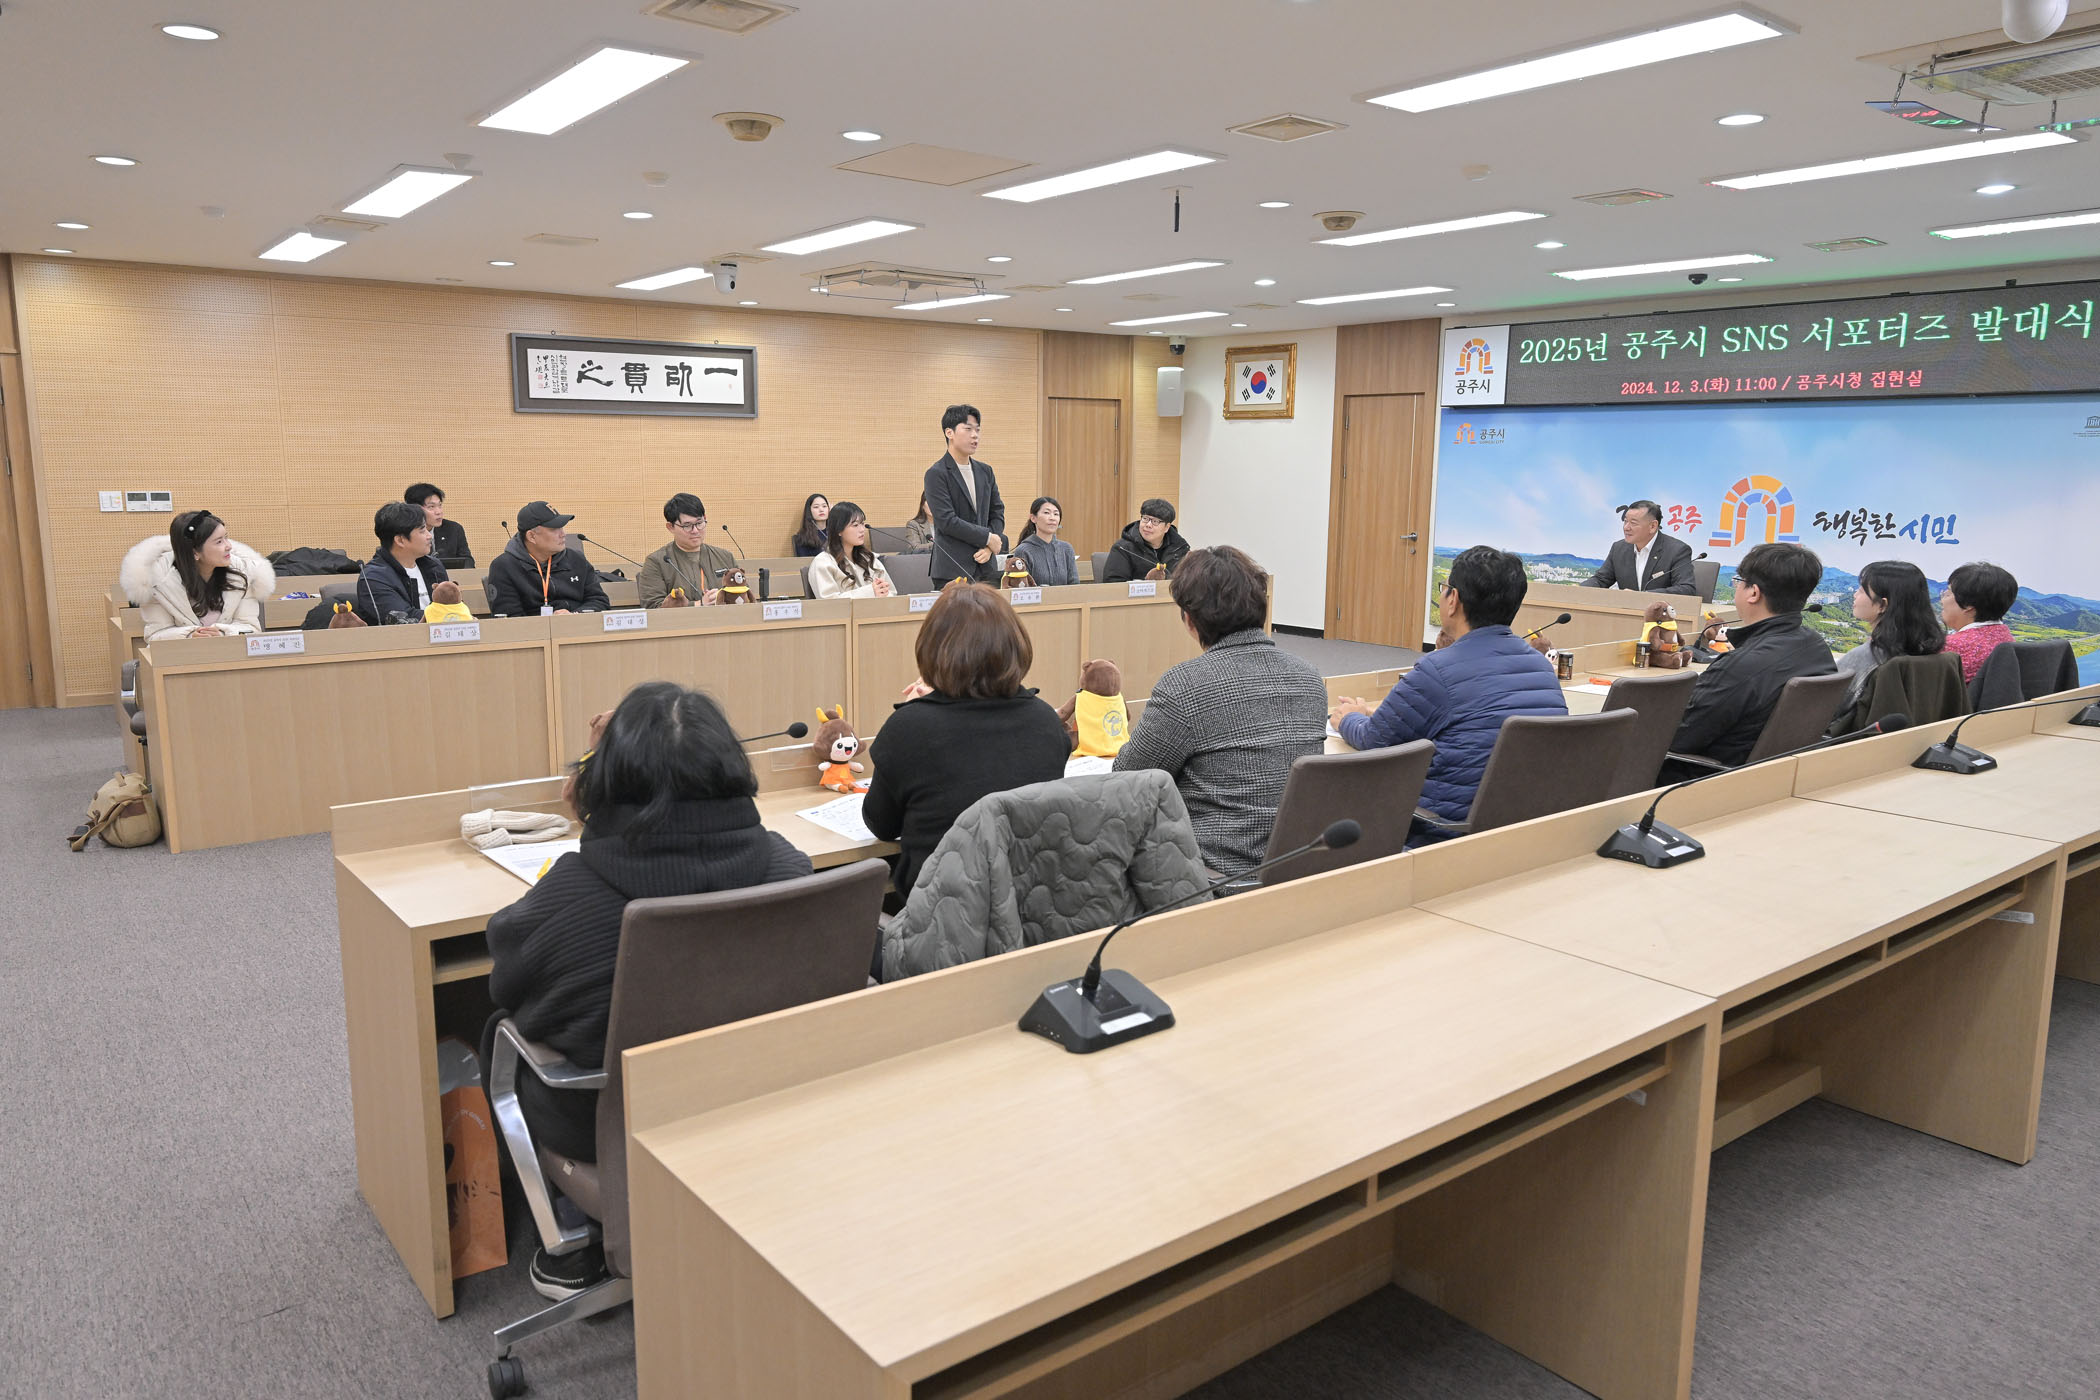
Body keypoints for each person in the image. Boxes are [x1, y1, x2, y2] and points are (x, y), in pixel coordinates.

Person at [484, 682, 811, 1298]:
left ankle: (578, 1236)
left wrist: (590, 814)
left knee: (500, 1029)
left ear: (603, 782)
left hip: (619, 1132)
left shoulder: (571, 897)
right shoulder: (788, 869)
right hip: (761, 1107)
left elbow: (507, 980)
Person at [1114, 546, 1326, 872]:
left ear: (1189, 619)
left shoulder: (1185, 686)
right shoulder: (1309, 677)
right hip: (1296, 867)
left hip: (1211, 874)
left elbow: (1129, 781)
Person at [1330, 545, 1566, 837]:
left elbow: (1374, 740)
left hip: (1442, 833)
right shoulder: (1541, 667)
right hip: (1522, 832)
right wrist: (1377, 714)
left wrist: (1348, 718)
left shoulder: (1438, 670)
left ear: (1453, 599)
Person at [862, 584, 1069, 904]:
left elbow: (882, 824)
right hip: (1032, 911)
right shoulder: (1045, 721)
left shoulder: (909, 729)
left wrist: (919, 710)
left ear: (931, 649)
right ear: (1016, 646)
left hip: (941, 917)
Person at [1664, 541, 1834, 775]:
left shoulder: (1740, 667)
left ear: (1753, 593)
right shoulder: (1815, 645)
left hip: (1703, 778)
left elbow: (1676, 739)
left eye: (1738, 582)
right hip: (1776, 776)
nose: (1736, 588)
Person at [120, 509, 275, 640]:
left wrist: (224, 633)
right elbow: (155, 636)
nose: (229, 546)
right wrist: (189, 636)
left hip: (231, 657)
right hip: (182, 661)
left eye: (226, 538)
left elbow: (251, 629)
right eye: (219, 542)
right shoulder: (156, 581)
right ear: (195, 552)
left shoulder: (243, 573)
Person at [1834, 561, 1946, 703]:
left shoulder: (1866, 657)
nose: (1855, 595)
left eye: (1862, 591)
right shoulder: (1935, 655)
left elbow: (1827, 705)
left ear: (1882, 605)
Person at [922, 404, 1006, 587]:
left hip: (986, 568)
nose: (975, 435)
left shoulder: (985, 471)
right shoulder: (936, 473)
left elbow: (997, 512)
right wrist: (987, 538)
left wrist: (989, 547)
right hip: (953, 569)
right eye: (968, 429)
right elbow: (947, 521)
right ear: (949, 433)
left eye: (977, 430)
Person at [485, 501, 610, 616]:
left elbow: (599, 601)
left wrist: (575, 615)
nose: (563, 534)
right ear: (532, 536)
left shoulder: (576, 559)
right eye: (554, 529)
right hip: (535, 632)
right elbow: (509, 618)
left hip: (580, 628)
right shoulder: (504, 567)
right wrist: (551, 624)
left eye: (562, 527)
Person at [357, 500, 448, 624]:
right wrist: (451, 616)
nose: (429, 536)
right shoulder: (373, 578)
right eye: (422, 531)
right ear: (400, 540)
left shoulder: (434, 566)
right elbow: (403, 618)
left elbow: (453, 603)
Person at [638, 493, 736, 607]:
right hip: (680, 619)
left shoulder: (725, 557)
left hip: (724, 617)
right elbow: (652, 607)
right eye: (687, 526)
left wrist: (724, 598)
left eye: (699, 523)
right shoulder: (656, 562)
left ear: (705, 518)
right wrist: (698, 604)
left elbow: (743, 596)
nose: (695, 530)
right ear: (670, 527)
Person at [1581, 500, 1696, 595]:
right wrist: (1577, 590)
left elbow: (1686, 589)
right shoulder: (1618, 548)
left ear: (1653, 526)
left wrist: (1643, 597)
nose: (1626, 527)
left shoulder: (1677, 550)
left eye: (1633, 523)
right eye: (1625, 521)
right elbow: (1600, 580)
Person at [1940, 561, 2020, 684]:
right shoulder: (2007, 639)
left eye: (1948, 593)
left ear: (1968, 604)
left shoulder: (1951, 647)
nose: (1942, 599)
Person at [806, 500, 897, 599]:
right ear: (839, 530)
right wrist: (870, 592)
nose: (862, 529)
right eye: (855, 525)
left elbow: (892, 593)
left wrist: (883, 593)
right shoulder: (823, 563)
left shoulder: (870, 559)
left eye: (862, 524)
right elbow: (829, 602)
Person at [1100, 498, 1189, 583]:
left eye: (1155, 521)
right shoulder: (1122, 548)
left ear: (1167, 527)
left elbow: (1188, 582)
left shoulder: (1180, 548)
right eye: (1145, 519)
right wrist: (1146, 583)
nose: (1148, 525)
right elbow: (1113, 584)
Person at [1012, 496, 1079, 586]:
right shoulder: (1024, 550)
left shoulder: (1066, 548)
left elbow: (1074, 585)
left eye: (1056, 514)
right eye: (1047, 513)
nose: (1052, 518)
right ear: (1033, 518)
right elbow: (1022, 588)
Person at [405, 482, 473, 567]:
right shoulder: (405, 532)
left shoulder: (453, 529)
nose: (439, 512)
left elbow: (468, 562)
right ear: (414, 508)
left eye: (440, 505)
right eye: (431, 507)